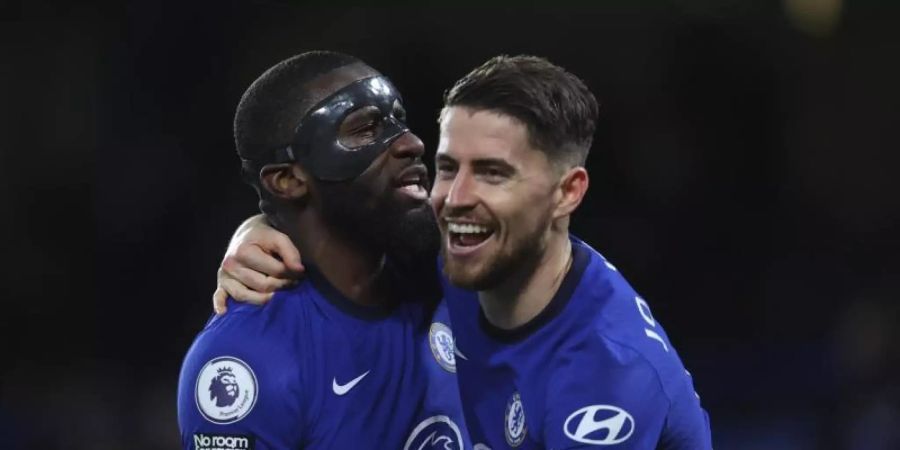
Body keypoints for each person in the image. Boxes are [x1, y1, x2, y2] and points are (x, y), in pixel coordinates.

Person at [218, 55, 713, 449]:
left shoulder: (603, 381)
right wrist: (256, 229)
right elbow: (340, 224)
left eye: (494, 173)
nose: (455, 199)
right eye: (449, 167)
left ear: (568, 193)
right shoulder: (468, 255)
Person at [177, 51, 468, 450]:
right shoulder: (249, 359)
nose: (412, 143)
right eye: (366, 128)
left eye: (400, 120)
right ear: (288, 180)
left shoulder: (454, 275)